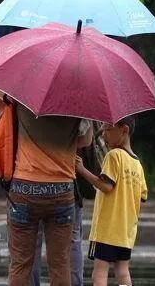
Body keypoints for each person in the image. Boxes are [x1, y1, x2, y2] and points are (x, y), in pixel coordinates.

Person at [0, 83, 92, 286]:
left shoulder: (23, 98)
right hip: (62, 191)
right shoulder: (77, 104)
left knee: (20, 264)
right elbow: (86, 141)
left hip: (24, 190)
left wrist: (14, 89)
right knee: (60, 264)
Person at [75, 116, 147, 286]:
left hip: (107, 230)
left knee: (99, 273)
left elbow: (106, 186)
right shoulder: (137, 163)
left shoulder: (114, 156)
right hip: (126, 231)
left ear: (124, 130)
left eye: (108, 130)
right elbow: (142, 196)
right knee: (123, 272)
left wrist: (81, 169)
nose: (104, 135)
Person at [31, 123, 104, 286]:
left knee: (30, 245)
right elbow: (86, 140)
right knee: (70, 244)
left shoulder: (26, 102)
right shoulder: (76, 100)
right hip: (65, 180)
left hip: (30, 181)